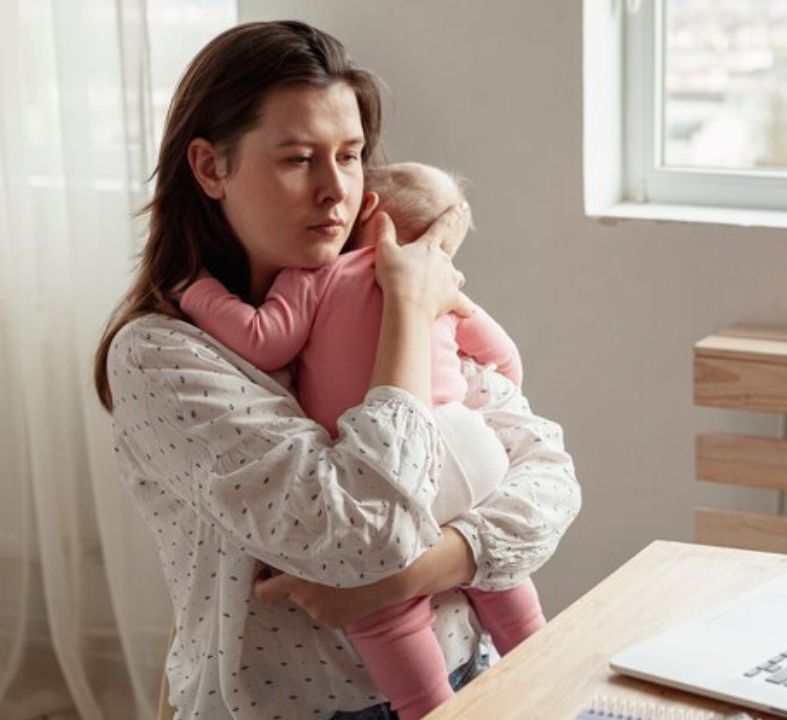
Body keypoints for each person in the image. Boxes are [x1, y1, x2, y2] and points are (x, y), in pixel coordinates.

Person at [92, 20, 580, 720]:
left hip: (476, 677)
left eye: (350, 157)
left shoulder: (374, 291)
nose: (335, 191)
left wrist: (406, 580)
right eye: (297, 160)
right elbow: (361, 534)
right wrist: (410, 311)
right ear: (209, 168)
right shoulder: (162, 356)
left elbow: (551, 480)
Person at [177, 163, 543, 716]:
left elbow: (261, 340)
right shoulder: (440, 287)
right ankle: (542, 659)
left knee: (380, 603)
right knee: (499, 576)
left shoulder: (318, 275)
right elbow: (506, 360)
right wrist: (466, 395)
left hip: (400, 452)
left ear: (365, 208)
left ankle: (427, 705)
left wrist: (196, 290)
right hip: (470, 443)